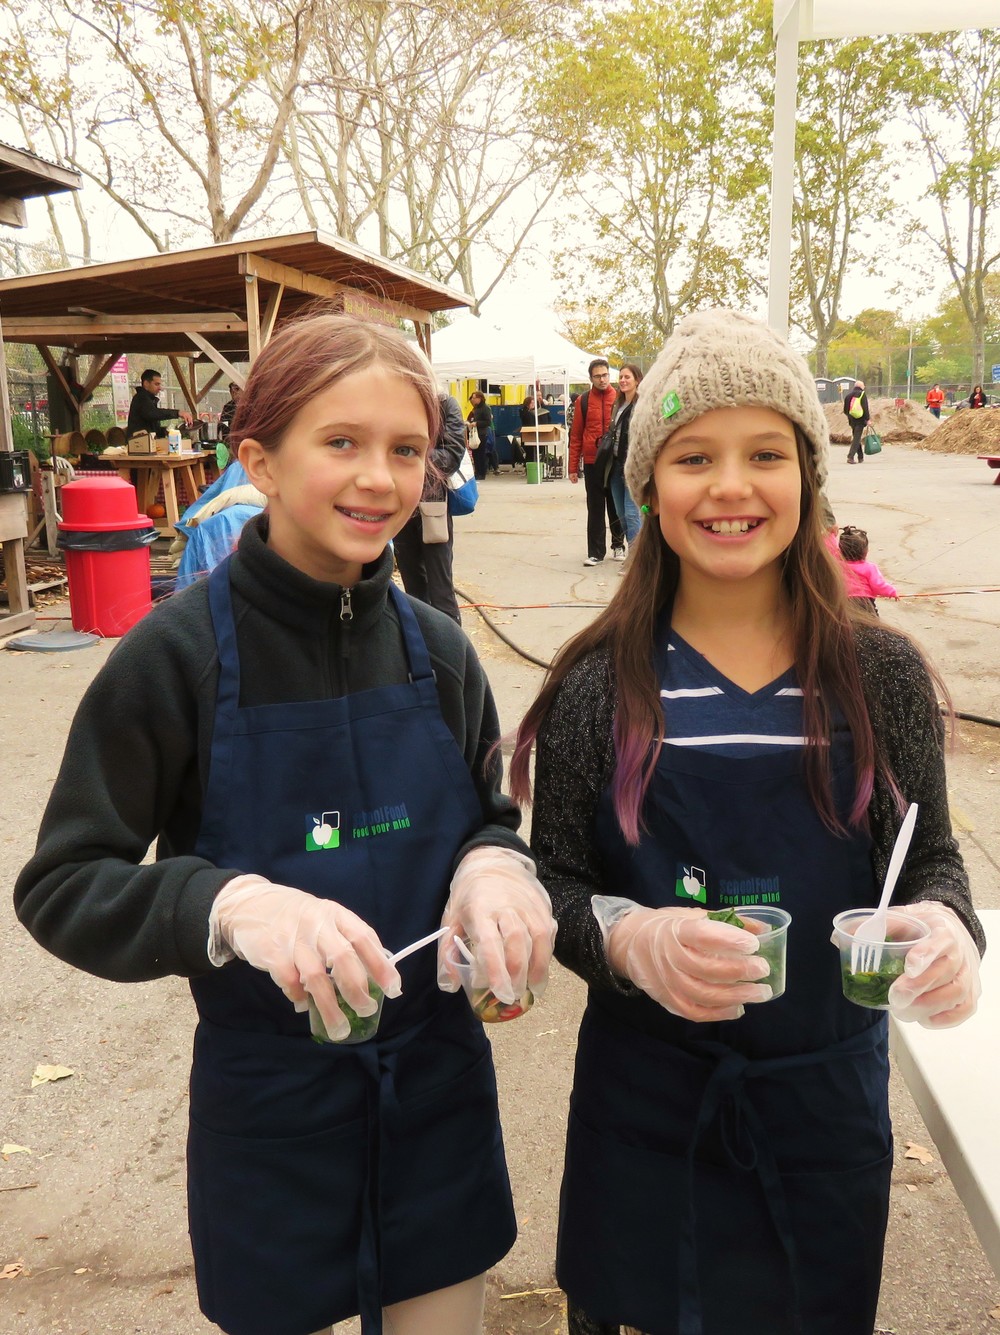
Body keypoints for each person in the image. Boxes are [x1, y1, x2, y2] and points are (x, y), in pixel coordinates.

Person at [15, 313, 556, 1335]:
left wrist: (495, 869)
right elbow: (62, 883)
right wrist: (223, 904)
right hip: (271, 1117)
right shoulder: (173, 658)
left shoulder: (440, 653)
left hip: (436, 1098)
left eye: (406, 450)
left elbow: (491, 817)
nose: (379, 479)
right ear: (258, 460)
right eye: (340, 443)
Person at [508, 309, 983, 1335]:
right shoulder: (600, 687)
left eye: (765, 452)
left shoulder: (879, 675)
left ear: (808, 476)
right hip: (646, 1112)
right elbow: (551, 884)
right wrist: (628, 939)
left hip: (821, 1114)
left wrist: (946, 926)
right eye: (693, 458)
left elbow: (929, 860)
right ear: (647, 486)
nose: (729, 486)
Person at [393, 392, 467, 624]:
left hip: (432, 504)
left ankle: (451, 647)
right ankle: (420, 641)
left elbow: (452, 456)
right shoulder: (396, 401)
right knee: (412, 585)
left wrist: (410, 453)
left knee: (440, 584)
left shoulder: (444, 404)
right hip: (400, 504)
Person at [569, 358, 625, 566]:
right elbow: (576, 435)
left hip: (615, 460)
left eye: (605, 375)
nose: (602, 379)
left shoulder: (620, 397)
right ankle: (595, 552)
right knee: (595, 507)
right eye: (598, 376)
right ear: (590, 378)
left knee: (616, 505)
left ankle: (618, 545)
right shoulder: (583, 401)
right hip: (592, 461)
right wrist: (573, 467)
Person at [606, 365, 644, 561]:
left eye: (627, 377)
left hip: (633, 467)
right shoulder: (618, 404)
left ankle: (636, 560)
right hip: (615, 466)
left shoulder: (643, 404)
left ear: (637, 380)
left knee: (631, 513)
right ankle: (638, 550)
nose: (622, 380)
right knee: (621, 514)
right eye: (620, 377)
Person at [838, 524, 898, 616]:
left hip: (842, 602)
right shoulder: (869, 568)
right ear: (865, 551)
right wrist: (891, 592)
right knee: (873, 624)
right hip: (864, 602)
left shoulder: (837, 566)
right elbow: (878, 586)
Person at [126, 368, 194, 438]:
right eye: (156, 384)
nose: (160, 388)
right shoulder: (141, 398)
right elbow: (152, 414)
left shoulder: (148, 399)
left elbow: (153, 422)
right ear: (146, 383)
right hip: (139, 444)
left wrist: (169, 431)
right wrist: (178, 413)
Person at [467, 390, 496, 480]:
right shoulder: (476, 408)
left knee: (481, 454)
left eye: (474, 398)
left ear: (479, 398)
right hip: (475, 433)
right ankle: (477, 472)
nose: (473, 399)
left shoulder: (485, 408)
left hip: (482, 433)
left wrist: (477, 423)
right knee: (475, 454)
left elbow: (487, 422)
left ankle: (482, 473)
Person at [843, 378, 870, 464]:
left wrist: (850, 416)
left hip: (852, 420)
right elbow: (865, 407)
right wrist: (867, 419)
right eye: (863, 385)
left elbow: (845, 410)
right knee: (856, 438)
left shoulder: (848, 395)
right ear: (861, 386)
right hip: (860, 420)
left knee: (856, 437)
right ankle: (850, 457)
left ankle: (860, 457)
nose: (864, 387)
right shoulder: (862, 394)